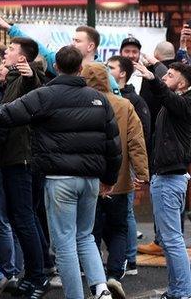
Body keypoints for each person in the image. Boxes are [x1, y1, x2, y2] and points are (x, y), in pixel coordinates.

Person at [0, 45, 121, 299]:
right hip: (90, 179)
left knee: (65, 243)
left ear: (56, 67)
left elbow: (7, 114)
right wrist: (109, 179)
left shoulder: (45, 95)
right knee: (85, 237)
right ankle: (100, 289)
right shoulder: (99, 99)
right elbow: (113, 144)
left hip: (59, 179)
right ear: (80, 68)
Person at [81, 63, 149, 298]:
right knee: (119, 228)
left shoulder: (83, 103)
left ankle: (97, 278)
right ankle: (114, 274)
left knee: (92, 231)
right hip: (119, 180)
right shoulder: (124, 105)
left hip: (89, 179)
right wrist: (142, 173)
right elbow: (136, 143)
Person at [133, 61, 191, 299]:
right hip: (165, 177)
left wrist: (152, 76)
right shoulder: (176, 101)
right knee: (169, 241)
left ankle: (183, 292)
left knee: (172, 240)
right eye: (165, 74)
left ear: (183, 83)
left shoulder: (185, 102)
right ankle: (177, 290)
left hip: (170, 179)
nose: (165, 77)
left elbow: (166, 96)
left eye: (170, 74)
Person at [0, 37, 50, 298]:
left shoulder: (29, 78)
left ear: (22, 58)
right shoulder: (13, 79)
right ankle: (35, 274)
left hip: (23, 158)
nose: (5, 52)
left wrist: (29, 76)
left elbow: (33, 92)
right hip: (13, 157)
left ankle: (38, 277)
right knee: (24, 218)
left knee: (25, 218)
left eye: (10, 49)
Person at [106, 55, 151, 275]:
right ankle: (118, 266)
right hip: (114, 172)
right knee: (117, 223)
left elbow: (139, 137)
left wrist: (140, 171)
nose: (107, 70)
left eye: (111, 67)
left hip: (123, 171)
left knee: (124, 218)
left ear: (122, 73)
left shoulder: (132, 101)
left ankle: (129, 260)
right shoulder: (114, 100)